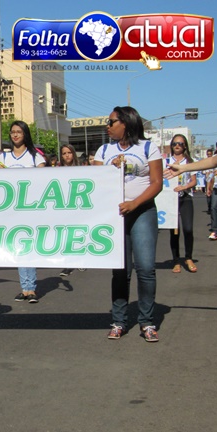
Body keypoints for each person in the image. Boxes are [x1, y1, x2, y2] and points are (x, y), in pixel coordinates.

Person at [95, 106, 163, 342]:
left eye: (111, 122)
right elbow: (96, 182)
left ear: (126, 123)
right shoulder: (104, 150)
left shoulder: (148, 147)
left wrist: (134, 203)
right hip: (115, 216)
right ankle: (119, 321)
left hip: (142, 212)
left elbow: (156, 183)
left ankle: (147, 322)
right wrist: (109, 170)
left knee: (145, 268)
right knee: (120, 270)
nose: (107, 126)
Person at [0, 121, 46, 303]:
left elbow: (42, 180)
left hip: (31, 208)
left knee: (29, 246)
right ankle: (24, 289)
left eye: (19, 132)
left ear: (25, 134)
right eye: (12, 132)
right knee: (18, 248)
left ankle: (31, 288)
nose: (15, 135)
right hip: (12, 210)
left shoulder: (36, 157)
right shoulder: (3, 158)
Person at [167, 134, 197, 273]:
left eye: (180, 143)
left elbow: (194, 181)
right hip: (171, 198)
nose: (177, 146)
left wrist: (184, 187)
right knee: (174, 231)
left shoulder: (189, 162)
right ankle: (176, 260)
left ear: (185, 146)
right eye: (175, 143)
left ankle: (188, 257)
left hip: (185, 197)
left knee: (188, 229)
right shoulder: (166, 161)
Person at [58, 144, 85, 276]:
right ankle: (68, 264)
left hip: (78, 204)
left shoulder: (80, 169)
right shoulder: (57, 170)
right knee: (65, 234)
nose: (67, 155)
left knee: (78, 233)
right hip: (64, 205)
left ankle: (80, 260)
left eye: (69, 152)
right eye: (64, 153)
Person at [206, 142, 217, 240]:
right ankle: (215, 229)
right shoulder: (214, 159)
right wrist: (208, 187)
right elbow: (211, 175)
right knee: (214, 207)